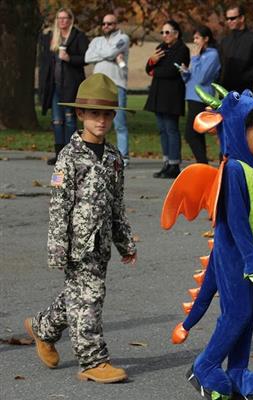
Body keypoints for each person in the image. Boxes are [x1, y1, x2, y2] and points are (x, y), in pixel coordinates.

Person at [163, 90, 253, 400]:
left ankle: (236, 371)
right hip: (235, 256)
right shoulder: (234, 170)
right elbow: (235, 221)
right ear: (238, 132)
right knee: (235, 315)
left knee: (247, 317)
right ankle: (204, 366)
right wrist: (251, 259)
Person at [24, 73, 137, 383]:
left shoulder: (114, 157)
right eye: (94, 114)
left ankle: (43, 327)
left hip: (100, 244)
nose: (101, 120)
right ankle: (92, 360)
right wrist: (58, 248)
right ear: (81, 115)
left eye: (107, 114)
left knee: (78, 294)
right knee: (91, 296)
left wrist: (125, 243)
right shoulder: (68, 158)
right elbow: (58, 206)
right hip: (76, 244)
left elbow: (116, 204)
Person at [38, 8, 89, 166]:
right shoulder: (52, 37)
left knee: (69, 120)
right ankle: (59, 154)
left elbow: (86, 58)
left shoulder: (78, 36)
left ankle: (71, 154)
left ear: (71, 19)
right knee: (57, 121)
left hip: (71, 85)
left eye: (65, 18)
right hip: (55, 86)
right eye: (59, 18)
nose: (62, 21)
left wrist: (69, 58)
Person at [144, 20, 190, 179]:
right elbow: (148, 68)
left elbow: (172, 71)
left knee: (171, 129)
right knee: (162, 129)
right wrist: (152, 61)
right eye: (162, 32)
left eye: (167, 32)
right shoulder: (161, 48)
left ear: (176, 34)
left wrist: (155, 70)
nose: (164, 35)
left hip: (172, 95)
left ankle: (174, 164)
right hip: (158, 94)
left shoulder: (182, 50)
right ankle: (166, 162)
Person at [85, 13, 131, 166]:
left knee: (119, 122)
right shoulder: (97, 40)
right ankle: (97, 154)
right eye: (104, 24)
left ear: (116, 24)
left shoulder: (123, 39)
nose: (106, 26)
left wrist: (103, 54)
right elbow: (87, 58)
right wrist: (107, 55)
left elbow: (111, 53)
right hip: (98, 86)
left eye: (110, 24)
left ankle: (123, 156)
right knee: (97, 122)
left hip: (117, 84)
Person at [180, 25, 220, 164]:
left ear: (206, 38)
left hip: (201, 98)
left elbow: (203, 78)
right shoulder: (200, 55)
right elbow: (192, 78)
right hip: (191, 96)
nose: (195, 41)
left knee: (190, 134)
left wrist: (195, 59)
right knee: (197, 133)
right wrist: (185, 72)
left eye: (197, 38)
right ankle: (202, 164)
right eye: (194, 38)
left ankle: (202, 163)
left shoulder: (212, 55)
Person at [219, 4, 253, 95]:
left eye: (232, 18)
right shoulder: (225, 41)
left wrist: (242, 78)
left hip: (245, 92)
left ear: (242, 18)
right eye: (227, 19)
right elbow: (219, 64)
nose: (229, 21)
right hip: (225, 93)